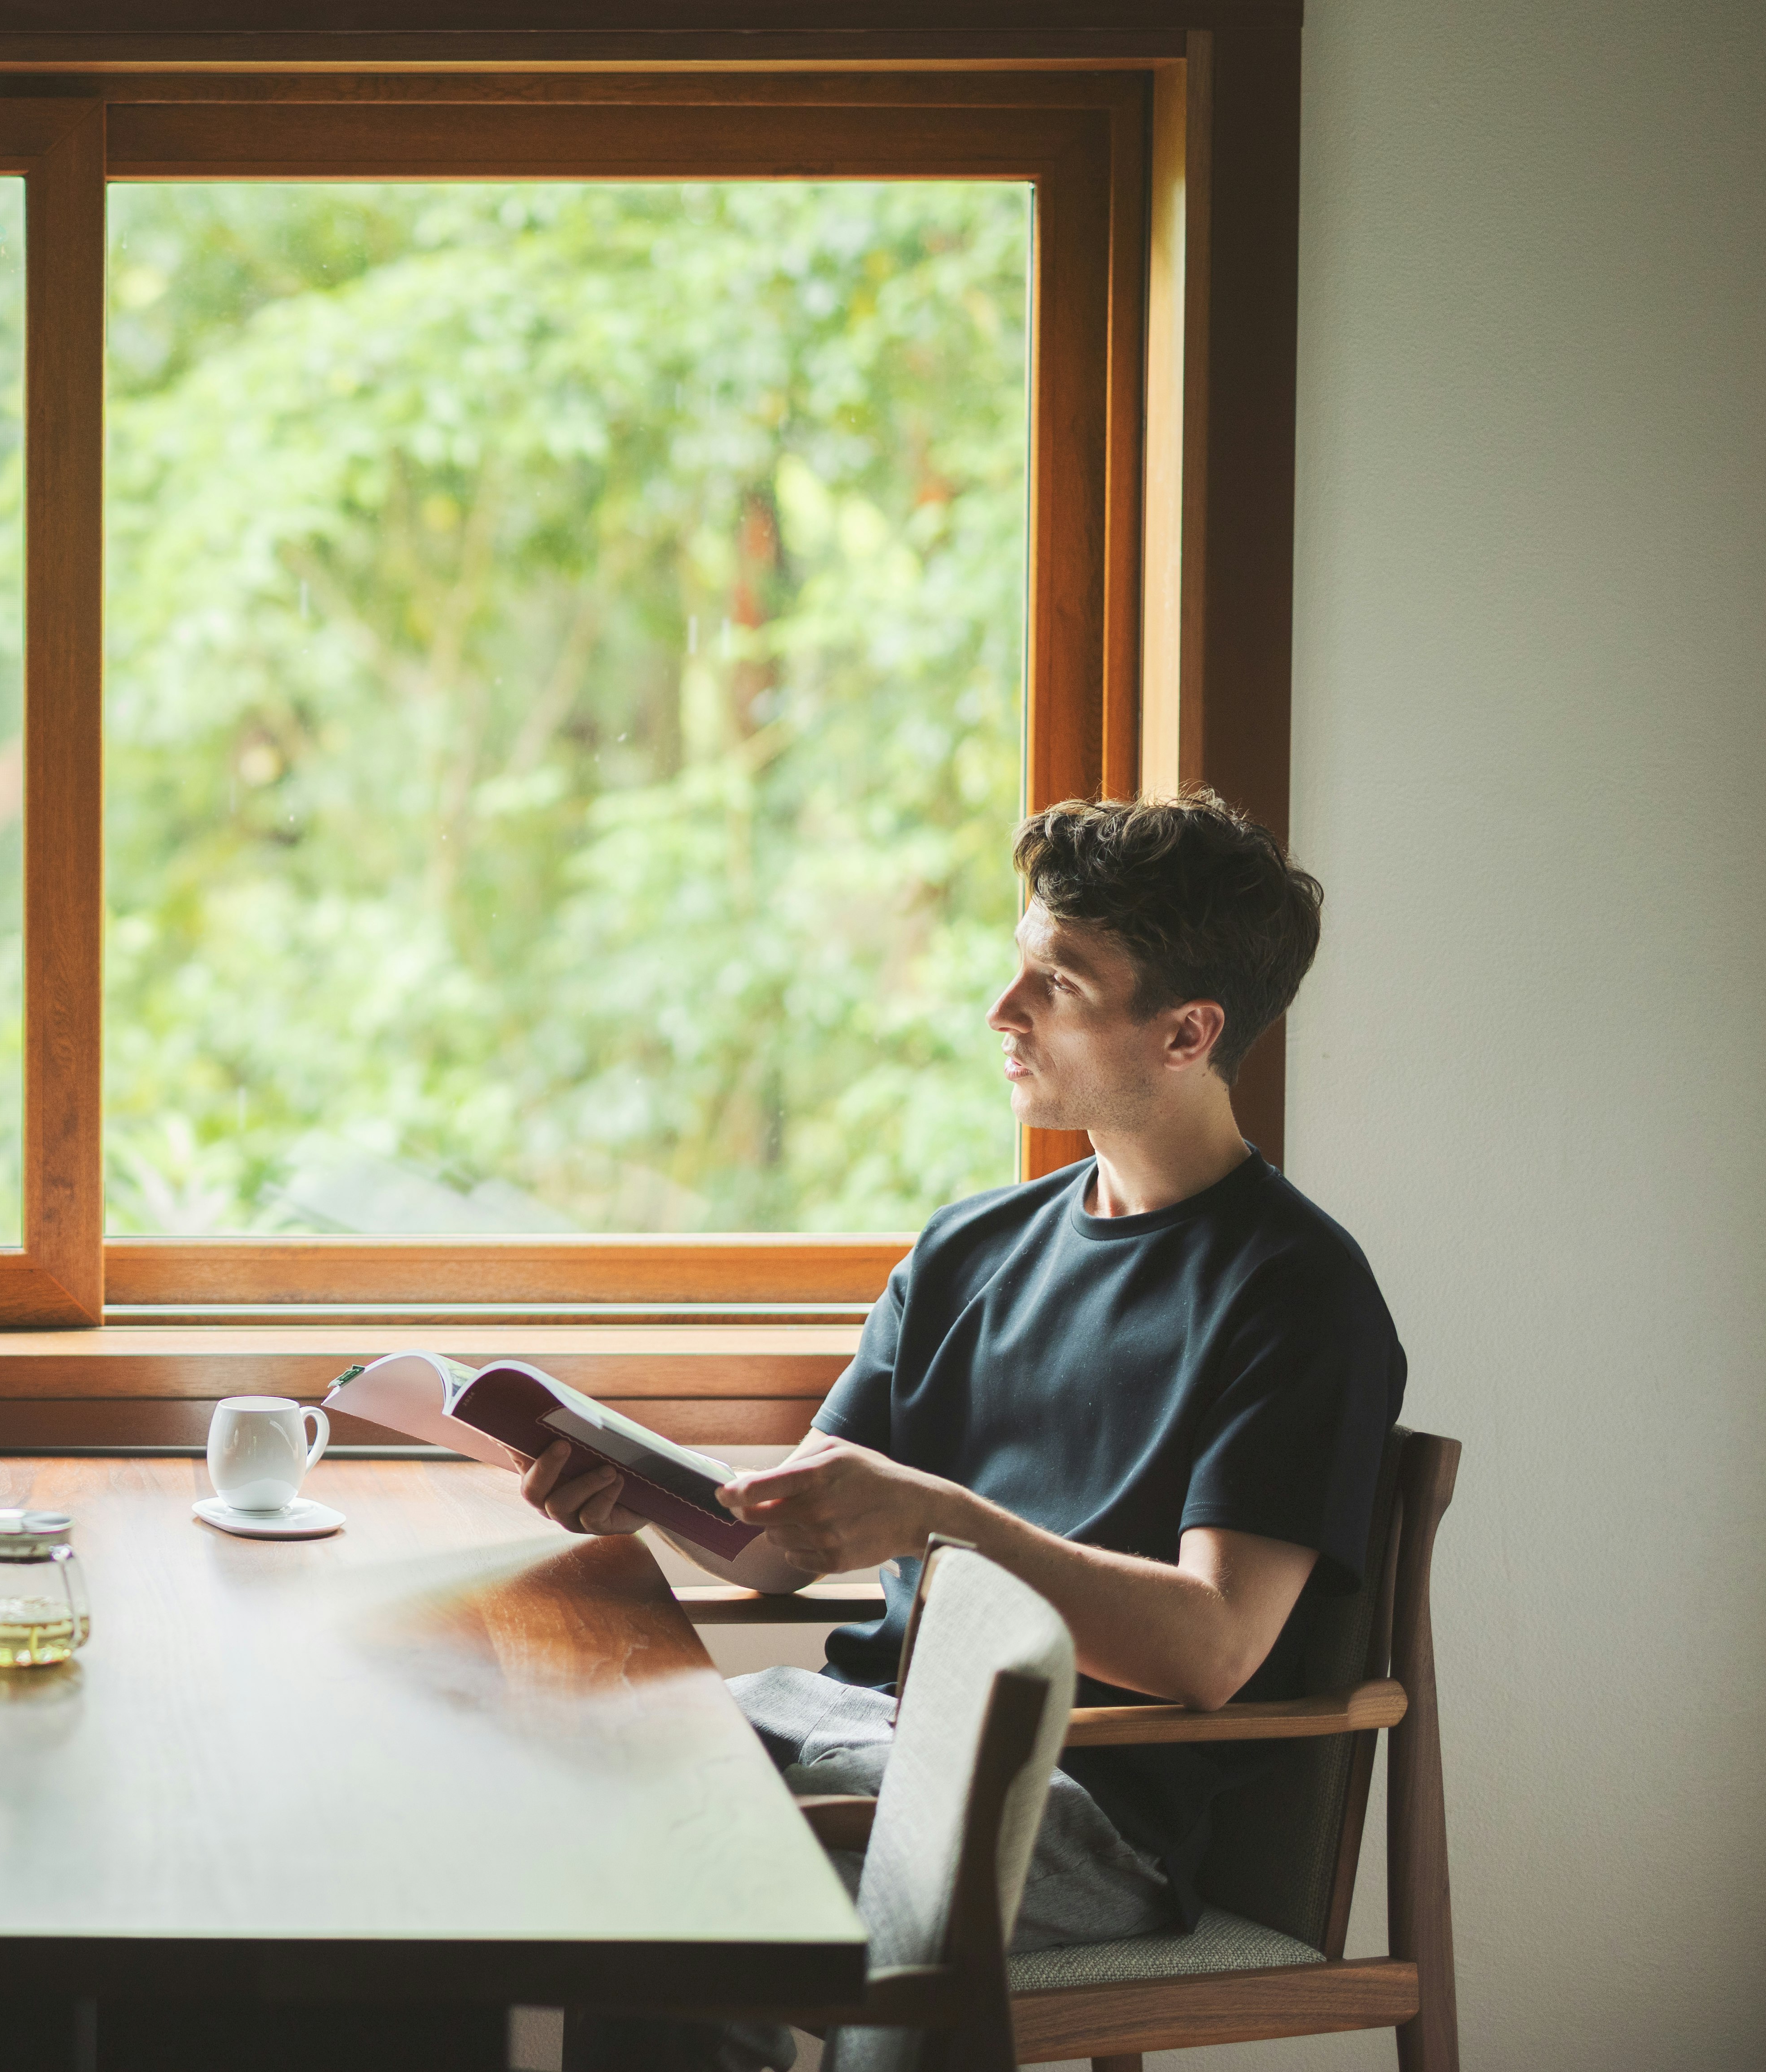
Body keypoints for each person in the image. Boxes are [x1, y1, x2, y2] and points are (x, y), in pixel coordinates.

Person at [532, 792, 1405, 2072]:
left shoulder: (1298, 1294)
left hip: (1078, 1801)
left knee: (695, 1900)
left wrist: (942, 1519)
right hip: (857, 1726)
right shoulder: (967, 1252)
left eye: (1056, 982)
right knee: (575, 1799)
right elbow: (779, 1552)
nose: (1003, 1010)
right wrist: (635, 1494)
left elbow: (1213, 1649)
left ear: (1186, 1033)